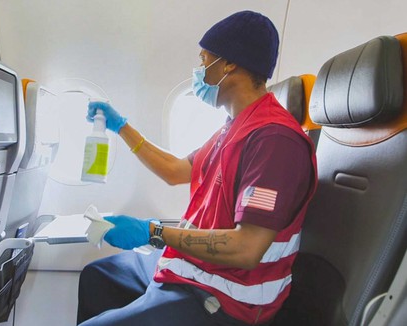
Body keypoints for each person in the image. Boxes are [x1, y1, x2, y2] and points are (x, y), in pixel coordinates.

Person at [77, 10, 317, 326]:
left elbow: (247, 248)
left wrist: (154, 232)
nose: (200, 71)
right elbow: (175, 170)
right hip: (195, 269)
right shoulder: (233, 127)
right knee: (97, 275)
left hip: (229, 296)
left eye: (204, 61)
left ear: (229, 63)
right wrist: (121, 126)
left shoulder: (274, 140)